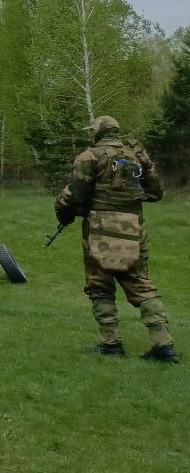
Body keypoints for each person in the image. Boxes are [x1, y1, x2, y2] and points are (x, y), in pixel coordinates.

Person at [55, 115, 177, 363]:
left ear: (97, 133)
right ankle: (164, 346)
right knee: (142, 285)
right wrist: (147, 164)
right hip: (134, 229)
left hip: (99, 230)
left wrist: (63, 212)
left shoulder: (89, 156)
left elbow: (74, 195)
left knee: (99, 287)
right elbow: (155, 193)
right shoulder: (135, 156)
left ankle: (111, 344)